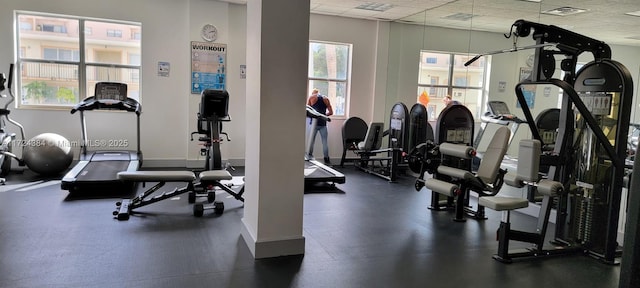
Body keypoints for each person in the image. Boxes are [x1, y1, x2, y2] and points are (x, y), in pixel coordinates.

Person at [307, 88, 334, 165]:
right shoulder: (326, 99)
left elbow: (307, 110)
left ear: (313, 92)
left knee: (311, 141)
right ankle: (326, 159)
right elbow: (331, 112)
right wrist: (323, 116)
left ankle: (309, 156)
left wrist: (314, 116)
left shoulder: (311, 97)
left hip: (314, 124)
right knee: (324, 142)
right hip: (323, 124)